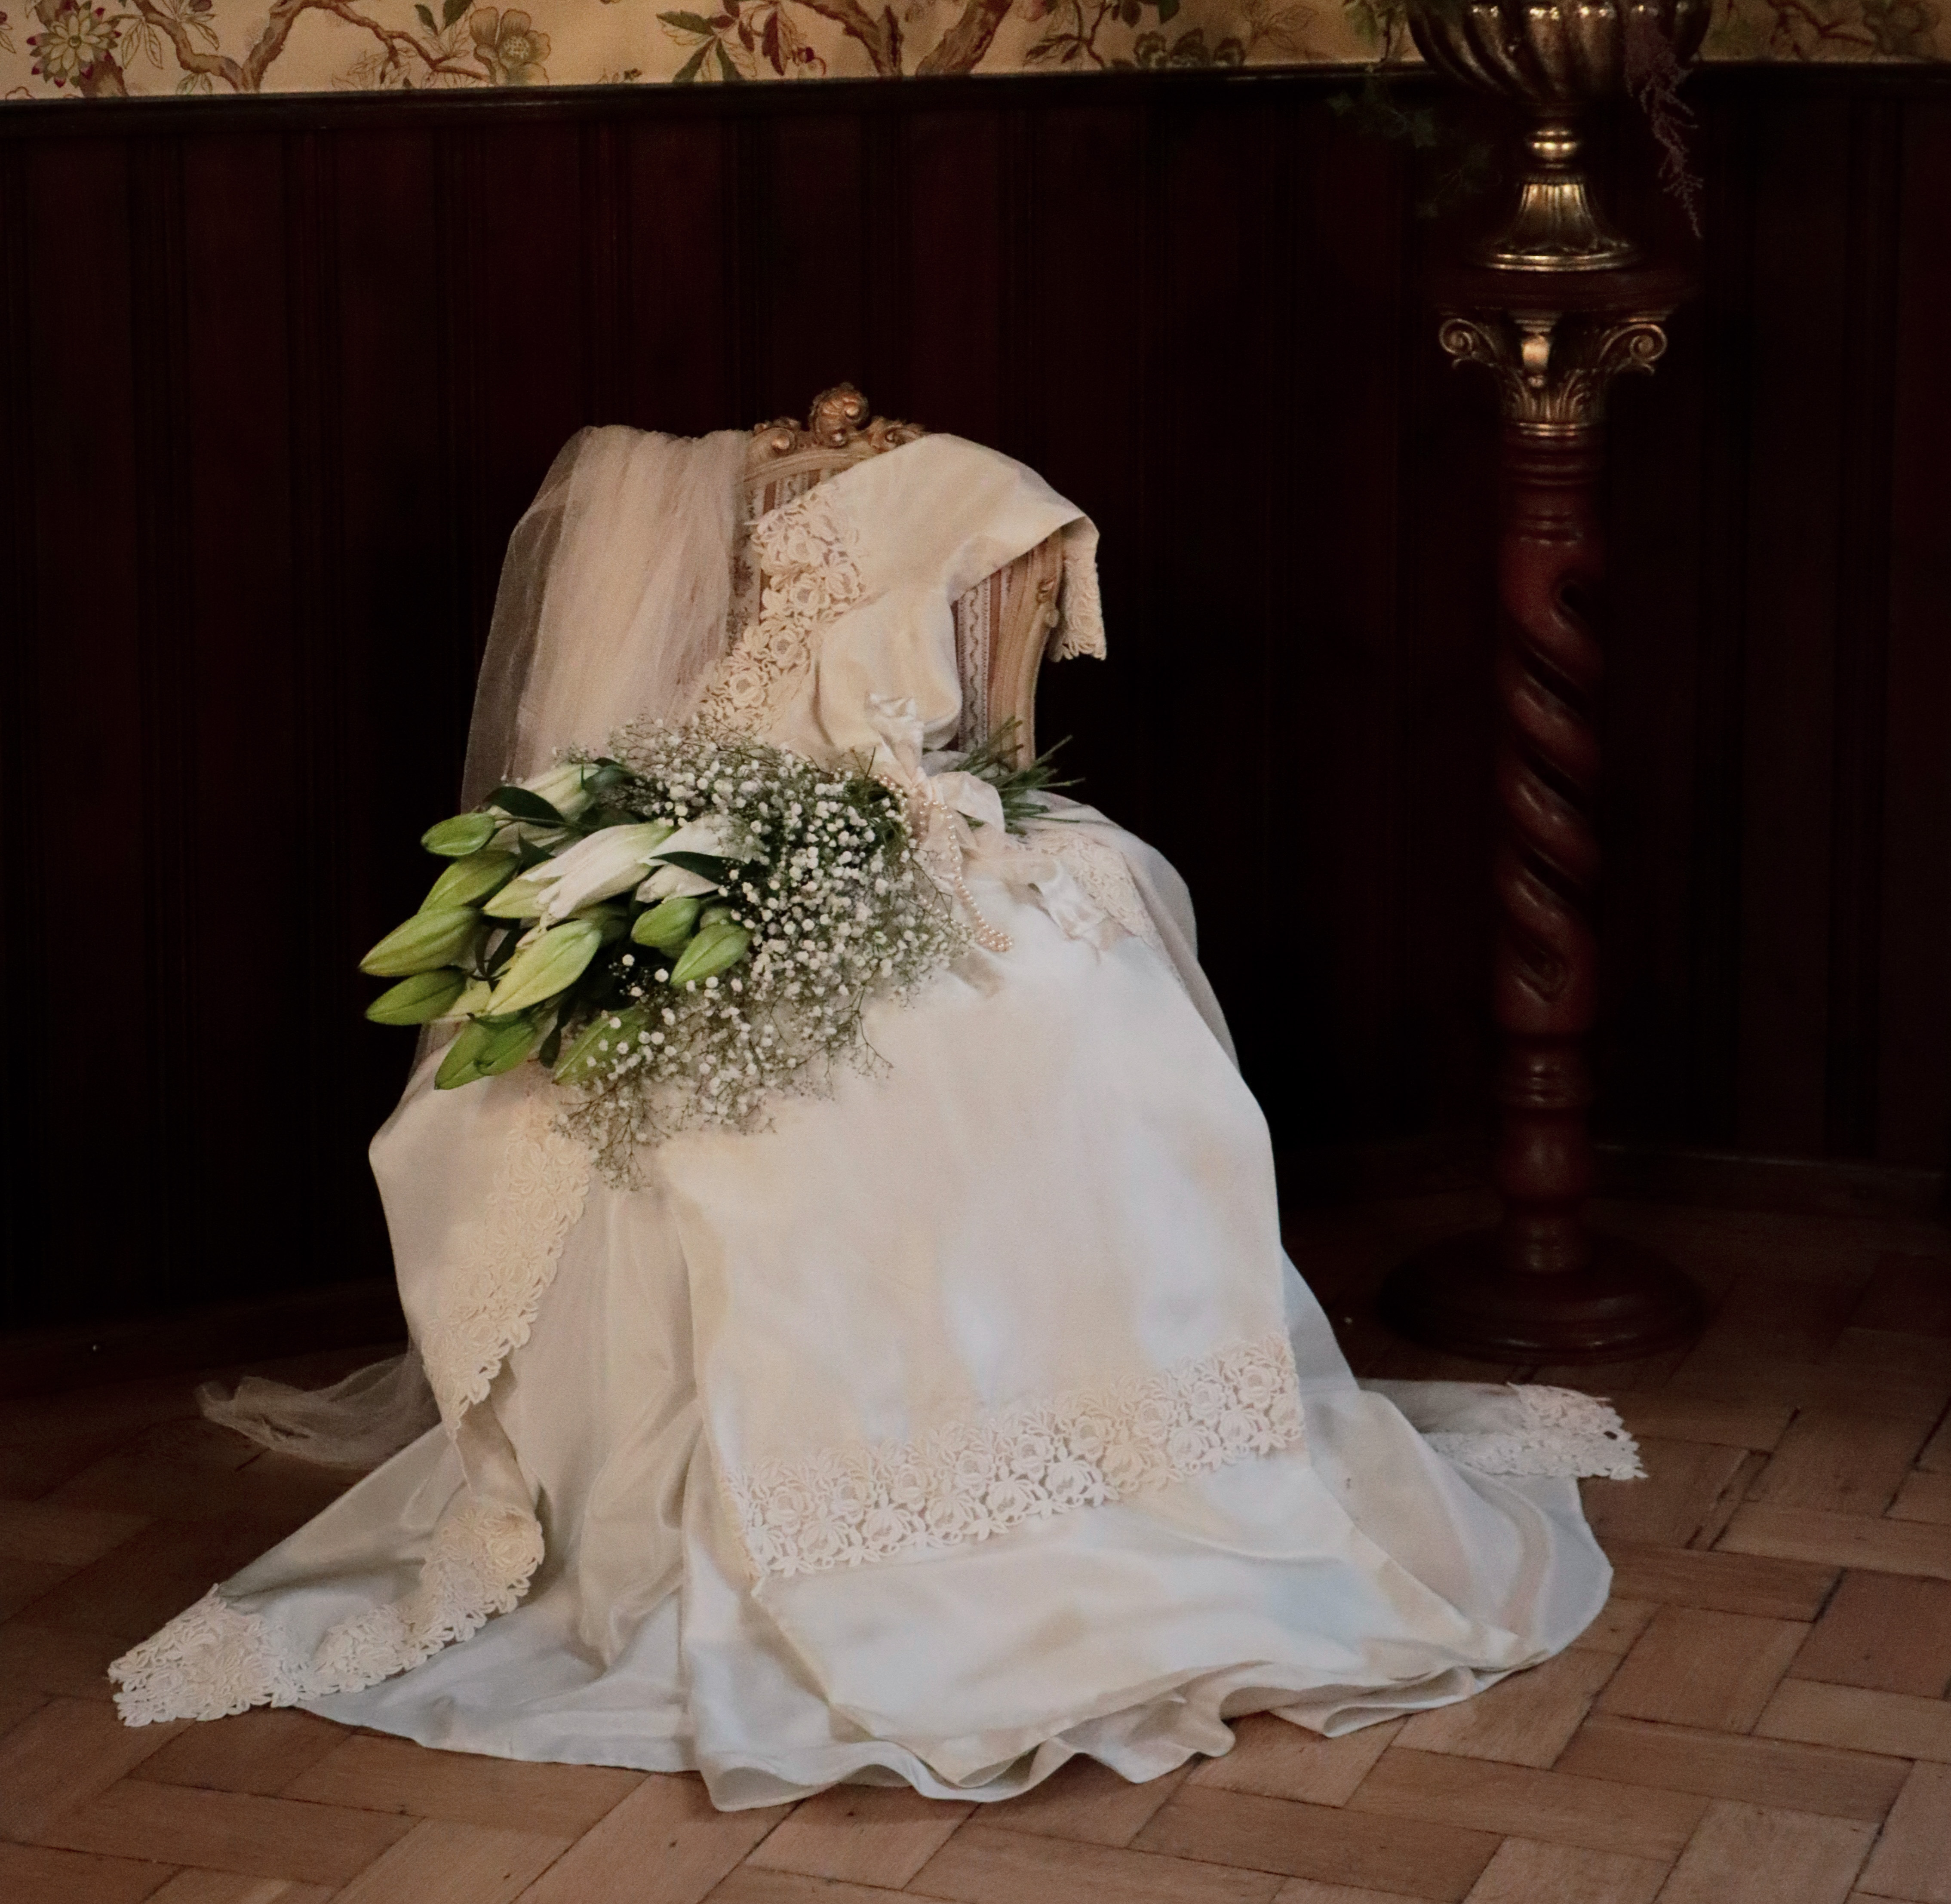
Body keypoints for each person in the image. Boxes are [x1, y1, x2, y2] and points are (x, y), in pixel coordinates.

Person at [111, 422, 1637, 1806]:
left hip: (885, 830)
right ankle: (767, 1502)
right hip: (771, 828)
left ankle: (1088, 1454)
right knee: (726, 1107)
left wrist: (907, 814)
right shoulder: (731, 542)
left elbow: (987, 740)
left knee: (1041, 1002)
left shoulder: (977, 510)